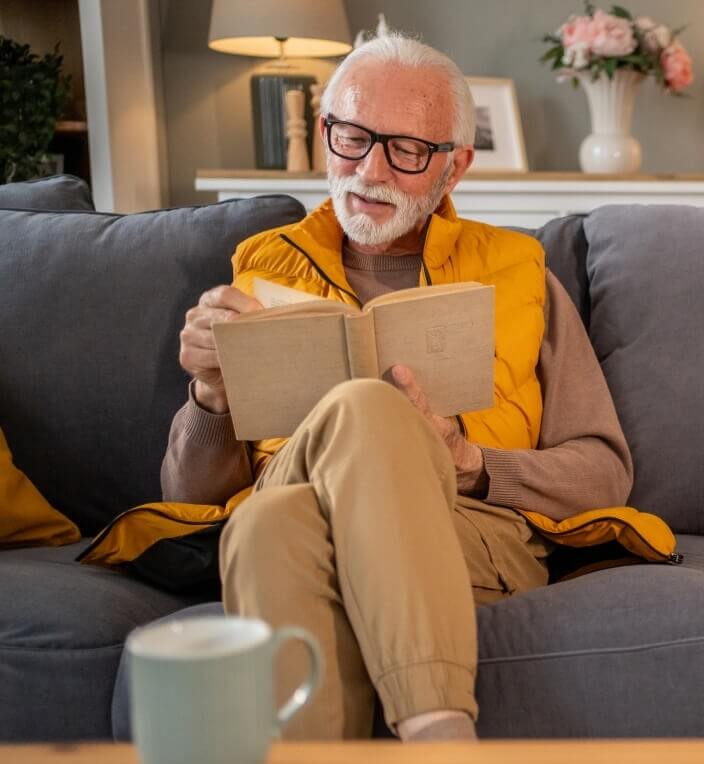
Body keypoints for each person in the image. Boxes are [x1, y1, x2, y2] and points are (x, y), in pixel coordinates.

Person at [164, 25, 633, 741]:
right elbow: (187, 500)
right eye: (351, 136)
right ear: (325, 131)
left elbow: (604, 473)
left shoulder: (519, 274)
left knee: (269, 526)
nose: (370, 169)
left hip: (468, 531)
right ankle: (440, 736)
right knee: (302, 471)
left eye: (407, 149)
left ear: (455, 165)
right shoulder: (259, 269)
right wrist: (210, 397)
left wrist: (471, 463)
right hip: (293, 485)